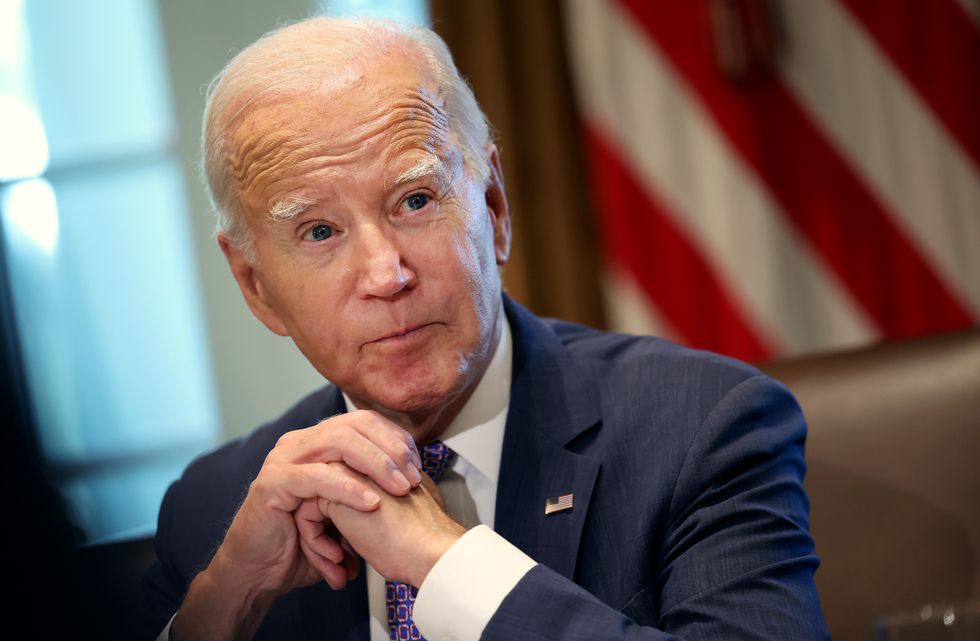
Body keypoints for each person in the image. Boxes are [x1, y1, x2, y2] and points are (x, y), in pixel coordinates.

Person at [142, 16, 829, 641]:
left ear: (494, 208)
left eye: (415, 200)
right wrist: (222, 605)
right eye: (319, 230)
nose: (386, 273)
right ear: (256, 285)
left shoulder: (701, 426)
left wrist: (445, 564)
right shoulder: (207, 515)